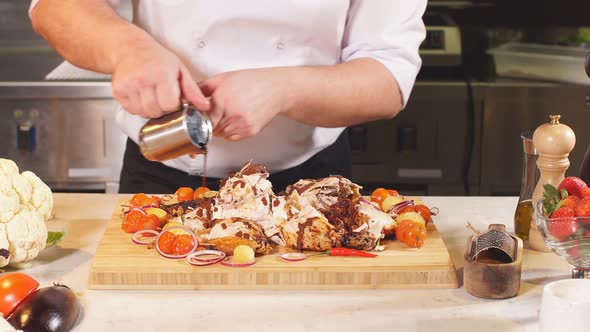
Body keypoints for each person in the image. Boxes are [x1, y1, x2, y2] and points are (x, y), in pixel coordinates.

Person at [30, 0, 426, 193]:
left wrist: (283, 89)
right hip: (162, 172)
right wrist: (126, 47)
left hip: (308, 180)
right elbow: (56, 7)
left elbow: (387, 77)